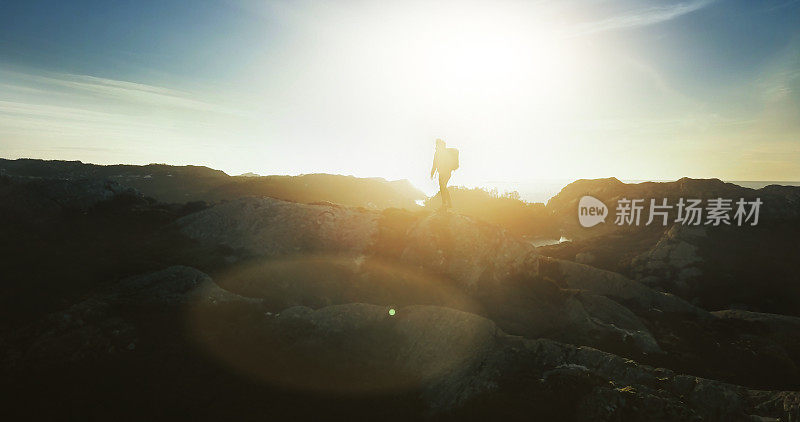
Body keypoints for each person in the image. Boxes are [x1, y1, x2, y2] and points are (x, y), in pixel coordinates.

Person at [430, 138, 458, 210]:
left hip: (443, 172)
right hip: (447, 172)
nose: (436, 145)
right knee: (443, 187)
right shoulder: (444, 152)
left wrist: (432, 173)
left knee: (443, 186)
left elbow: (434, 164)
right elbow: (435, 164)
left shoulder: (438, 153)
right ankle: (447, 204)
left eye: (436, 144)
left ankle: (445, 204)